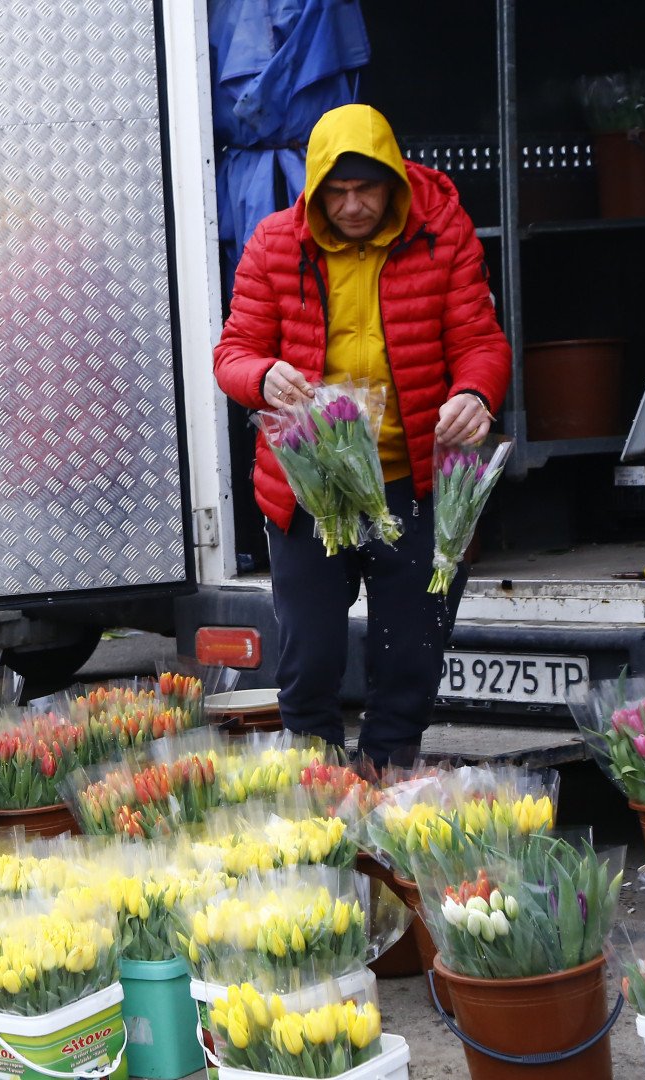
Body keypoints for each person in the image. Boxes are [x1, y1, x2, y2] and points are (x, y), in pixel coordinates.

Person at [213, 104, 513, 766]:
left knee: (410, 653)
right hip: (309, 490)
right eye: (337, 192)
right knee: (310, 654)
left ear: (395, 182)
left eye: (367, 189)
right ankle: (319, 788)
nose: (352, 206)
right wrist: (263, 376)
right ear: (316, 188)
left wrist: (474, 393)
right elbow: (232, 352)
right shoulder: (273, 243)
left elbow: (479, 341)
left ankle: (385, 776)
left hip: (415, 484)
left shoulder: (443, 234)